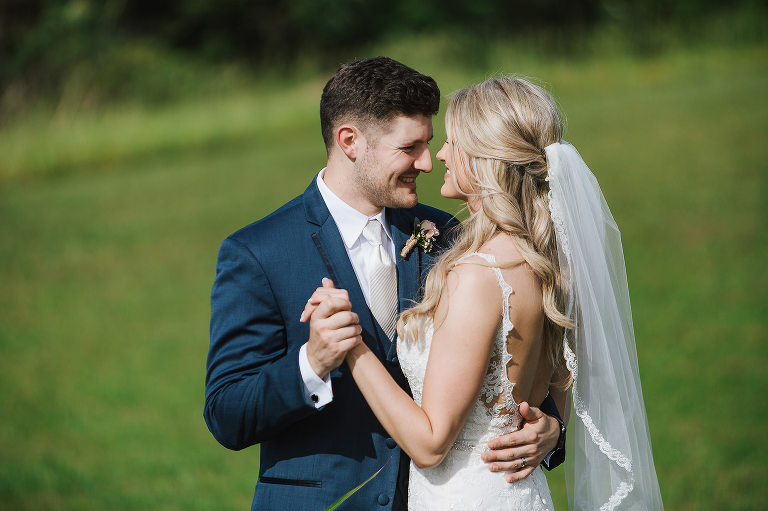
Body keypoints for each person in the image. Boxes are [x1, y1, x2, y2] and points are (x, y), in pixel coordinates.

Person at [204, 59, 565, 511]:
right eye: (409, 147)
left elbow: (515, 356)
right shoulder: (259, 252)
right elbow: (226, 413)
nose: (427, 163)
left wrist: (551, 427)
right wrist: (311, 363)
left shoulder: (451, 236)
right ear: (350, 141)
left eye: (430, 143)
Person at [304, 76, 663, 509]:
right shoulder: (551, 263)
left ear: (483, 159)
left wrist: (352, 346)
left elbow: (432, 443)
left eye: (451, 142)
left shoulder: (477, 275)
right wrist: (552, 424)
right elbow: (559, 385)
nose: (437, 156)